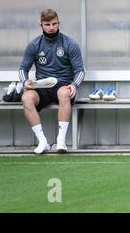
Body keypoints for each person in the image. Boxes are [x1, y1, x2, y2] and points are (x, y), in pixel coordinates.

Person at [19, 9, 85, 154]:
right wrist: (25, 82)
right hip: (42, 86)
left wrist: (74, 85)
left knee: (63, 94)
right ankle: (43, 141)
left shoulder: (69, 43)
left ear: (58, 23)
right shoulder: (34, 45)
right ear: (41, 25)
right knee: (26, 97)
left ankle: (61, 141)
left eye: (54, 24)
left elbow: (80, 71)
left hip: (62, 85)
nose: (51, 27)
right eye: (47, 24)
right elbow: (22, 69)